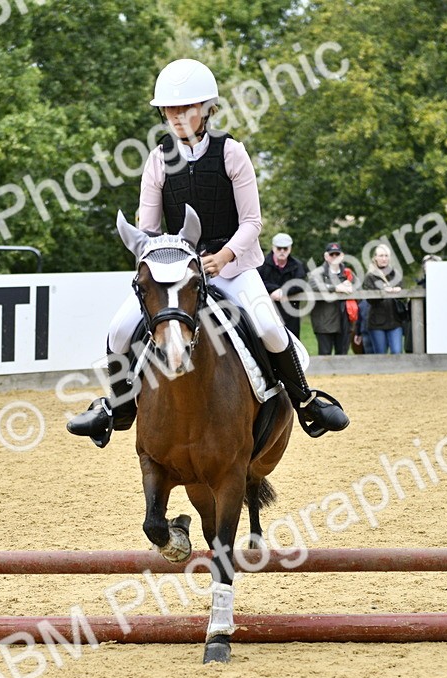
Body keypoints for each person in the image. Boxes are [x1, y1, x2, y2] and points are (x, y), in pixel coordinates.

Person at [66, 59, 349, 447]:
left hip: (233, 267)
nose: (177, 117)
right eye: (170, 110)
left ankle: (306, 401)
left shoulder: (232, 152)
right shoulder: (157, 160)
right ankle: (116, 407)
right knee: (119, 329)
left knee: (267, 327)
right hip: (178, 272)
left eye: (186, 108)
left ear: (206, 110)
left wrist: (225, 257)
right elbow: (149, 232)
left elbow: (252, 222)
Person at [307, 242, 355, 356]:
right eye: (331, 254)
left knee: (342, 354)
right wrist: (336, 288)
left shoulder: (348, 273)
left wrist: (350, 286)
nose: (334, 257)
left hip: (345, 321)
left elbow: (360, 287)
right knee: (325, 355)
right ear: (326, 256)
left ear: (342, 256)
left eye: (337, 254)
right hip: (324, 322)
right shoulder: (317, 272)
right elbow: (312, 284)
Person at [259, 233, 307, 338]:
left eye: (285, 248)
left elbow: (301, 283)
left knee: (293, 343)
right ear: (273, 247)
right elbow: (258, 282)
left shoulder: (296, 265)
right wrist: (275, 290)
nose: (282, 251)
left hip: (291, 313)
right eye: (279, 248)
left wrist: (284, 290)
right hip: (268, 311)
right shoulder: (262, 264)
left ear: (290, 249)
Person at [362, 244, 404, 354]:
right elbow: (370, 300)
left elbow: (403, 295)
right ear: (375, 258)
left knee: (397, 351)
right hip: (377, 321)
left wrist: (399, 291)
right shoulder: (370, 276)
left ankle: (397, 371)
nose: (384, 258)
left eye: (386, 255)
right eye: (381, 256)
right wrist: (383, 292)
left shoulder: (396, 274)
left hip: (395, 320)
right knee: (380, 354)